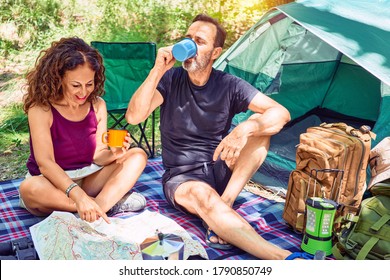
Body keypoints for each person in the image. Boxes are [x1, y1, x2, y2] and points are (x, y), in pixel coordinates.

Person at [126, 14, 298, 260]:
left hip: (219, 168)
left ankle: (225, 203)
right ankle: (285, 259)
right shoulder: (171, 79)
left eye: (199, 41)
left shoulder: (228, 84)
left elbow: (281, 113)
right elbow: (134, 117)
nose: (191, 45)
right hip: (183, 178)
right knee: (203, 196)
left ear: (215, 53)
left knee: (261, 129)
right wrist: (157, 70)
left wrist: (244, 130)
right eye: (188, 39)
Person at [19, 37, 148, 224]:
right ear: (59, 78)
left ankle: (96, 208)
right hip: (51, 183)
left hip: (88, 177)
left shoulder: (97, 105)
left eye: (89, 84)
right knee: (29, 188)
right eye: (76, 85)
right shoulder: (41, 109)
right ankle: (100, 205)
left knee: (137, 155)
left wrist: (114, 153)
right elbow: (45, 164)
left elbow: (98, 156)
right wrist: (78, 196)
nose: (83, 92)